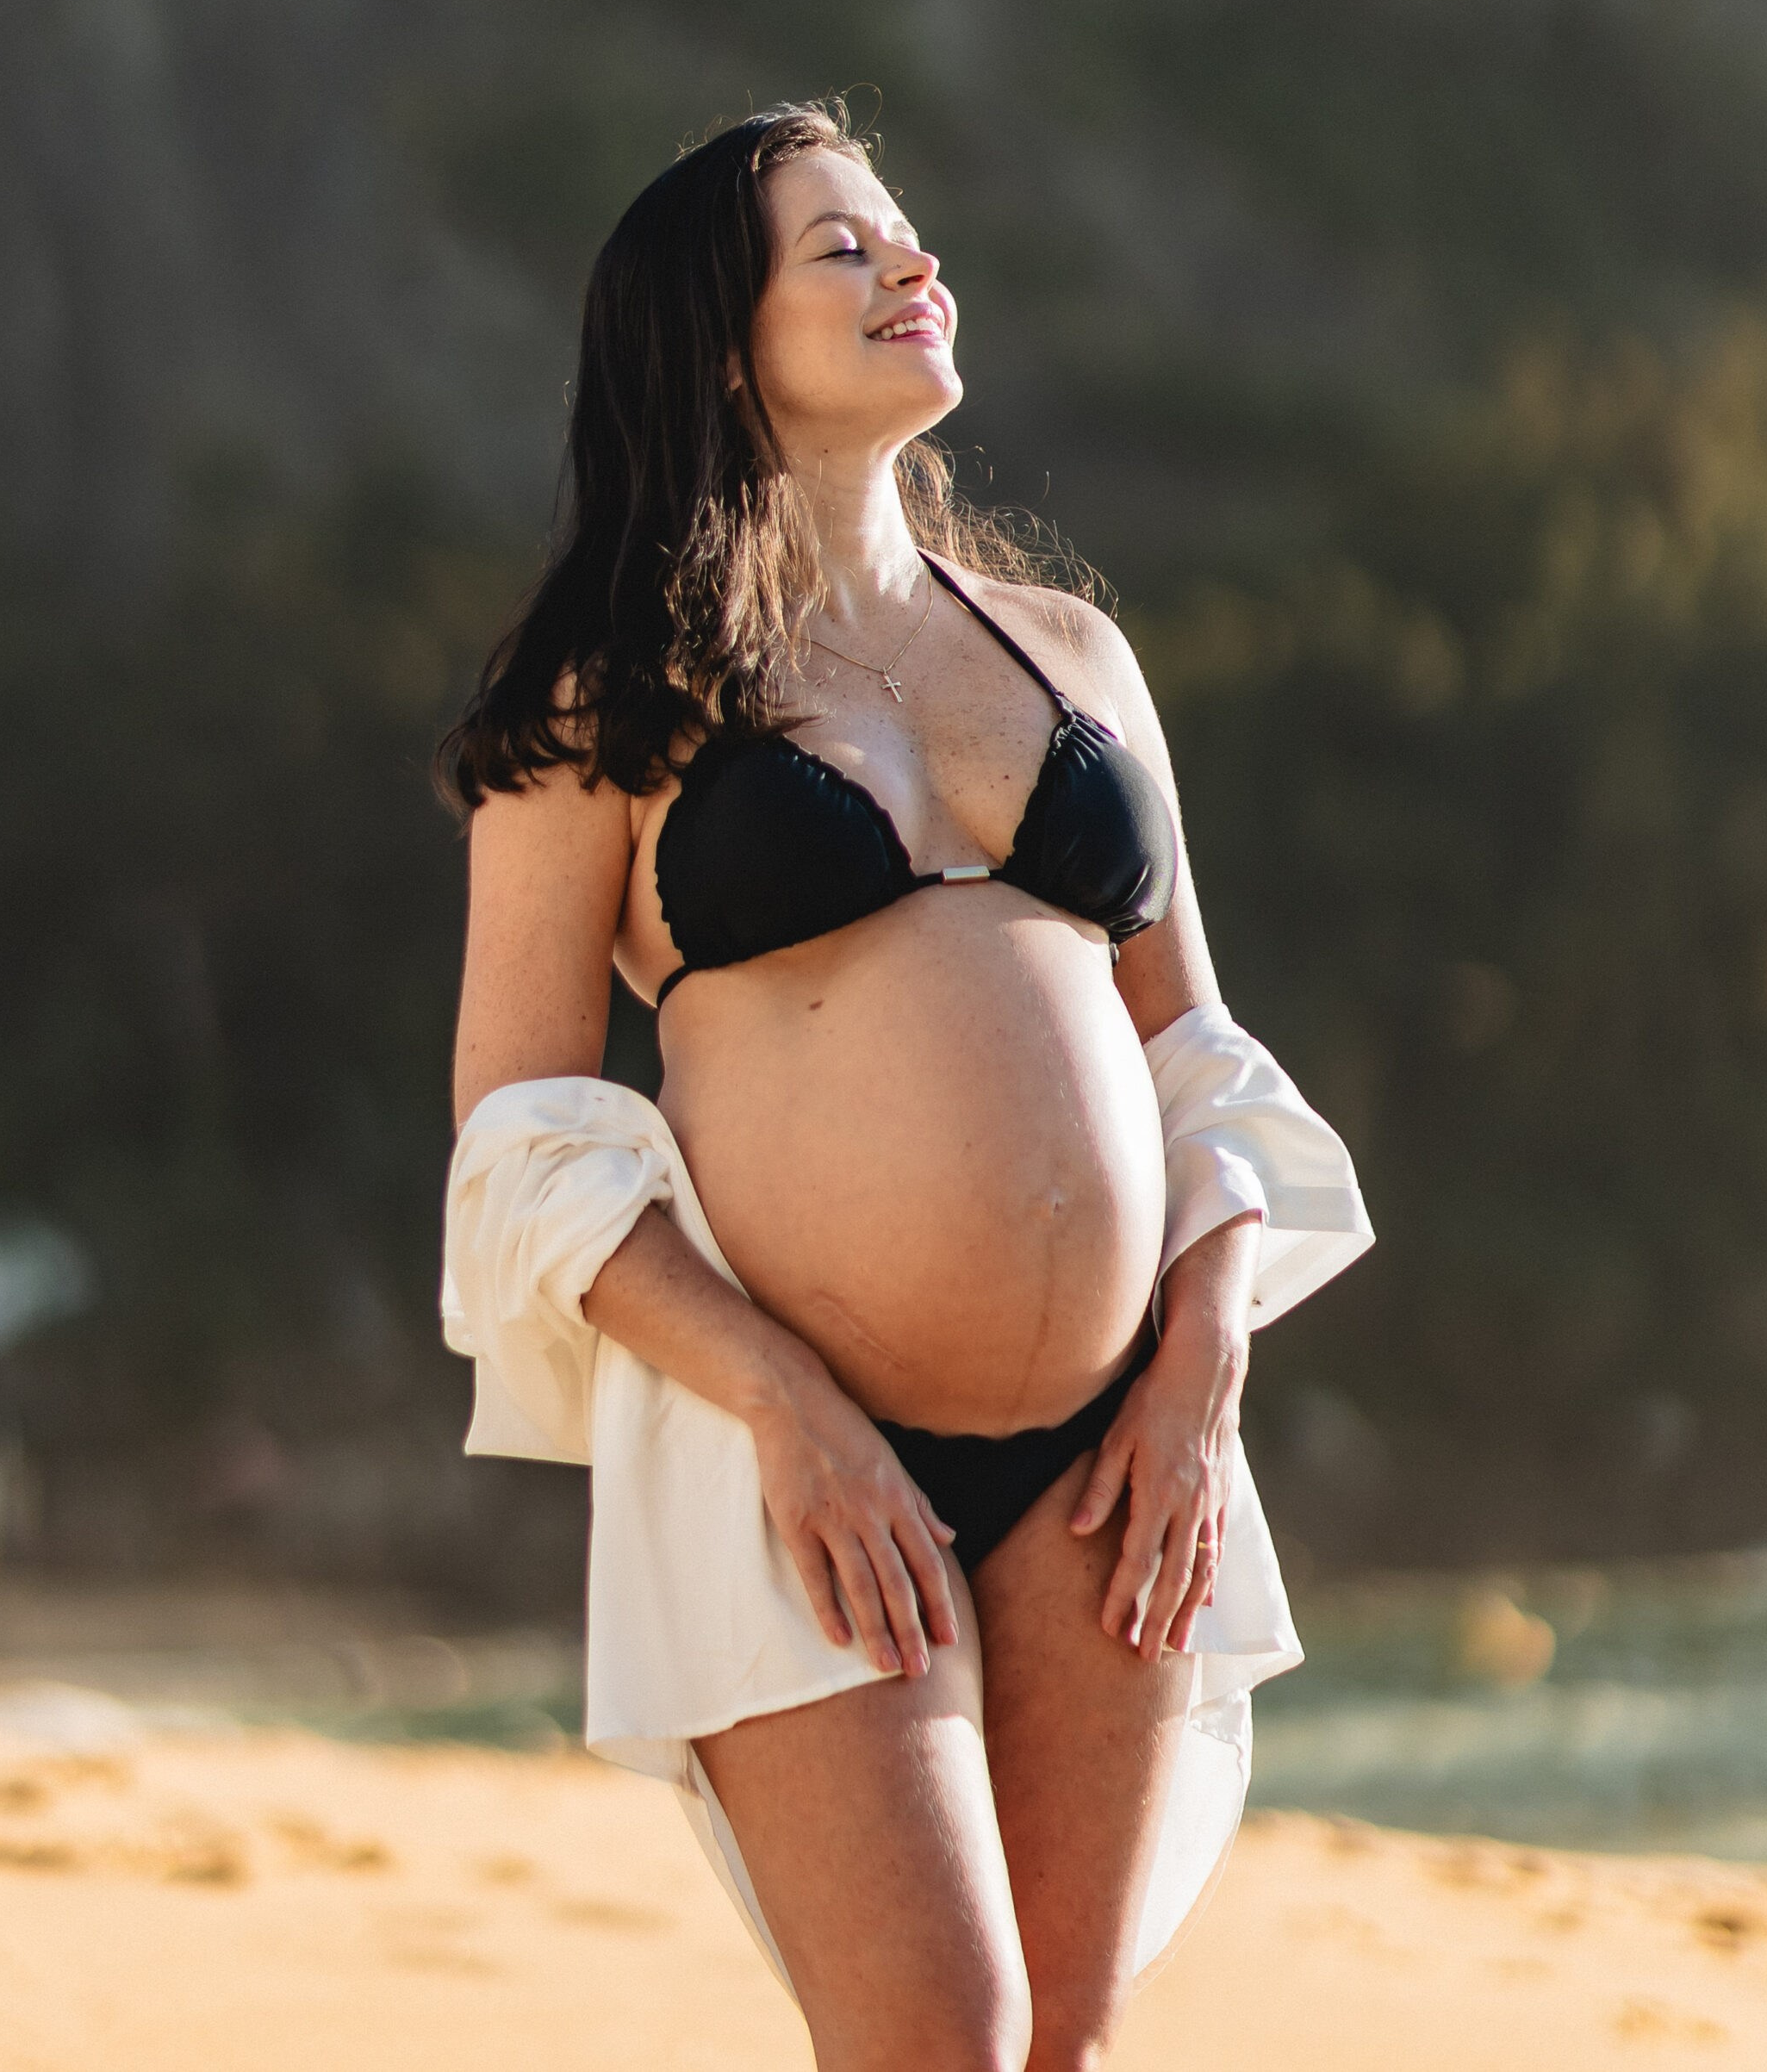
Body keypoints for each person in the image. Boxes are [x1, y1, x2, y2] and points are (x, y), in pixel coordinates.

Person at [438, 102, 1372, 2071]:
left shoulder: (1073, 656)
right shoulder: (608, 696)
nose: (909, 267)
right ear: (714, 342)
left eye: (908, 234)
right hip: (801, 1455)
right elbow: (520, 1137)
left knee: (1064, 2054)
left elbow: (1197, 1064)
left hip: (1117, 1453)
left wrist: (1204, 1368)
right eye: (840, 250)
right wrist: (784, 1404)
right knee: (936, 2041)